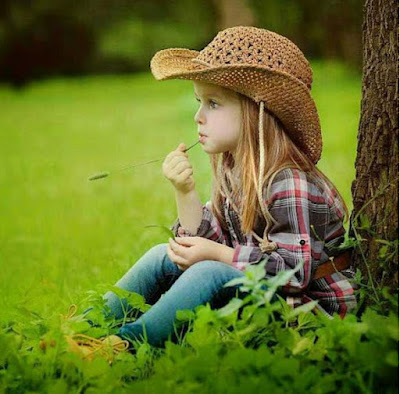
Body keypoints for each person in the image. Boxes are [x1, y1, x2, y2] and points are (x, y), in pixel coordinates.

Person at [66, 26, 358, 359]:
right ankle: (83, 329)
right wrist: (185, 191)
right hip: (266, 293)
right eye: (199, 102)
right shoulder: (235, 170)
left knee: (210, 269)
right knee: (164, 255)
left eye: (213, 104)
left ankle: (123, 347)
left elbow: (293, 273)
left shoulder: (287, 181)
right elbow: (210, 237)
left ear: (256, 112)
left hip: (312, 315)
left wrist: (221, 256)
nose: (198, 117)